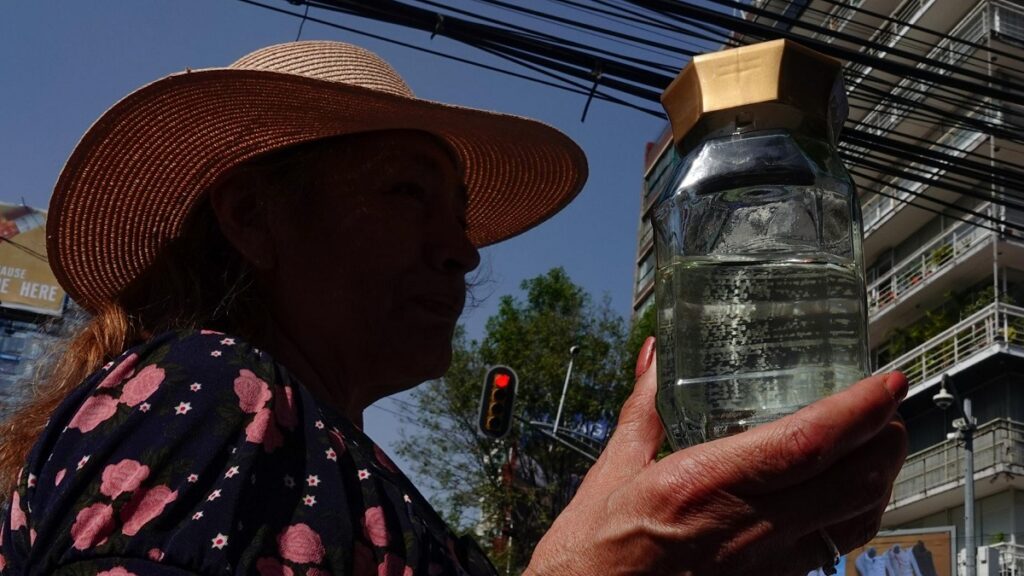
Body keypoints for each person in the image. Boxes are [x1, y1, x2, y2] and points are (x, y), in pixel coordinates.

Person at [0, 40, 908, 575]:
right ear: (253, 217)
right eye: (406, 193)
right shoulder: (200, 391)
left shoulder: (331, 461)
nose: (464, 248)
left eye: (461, 213)